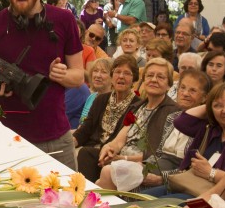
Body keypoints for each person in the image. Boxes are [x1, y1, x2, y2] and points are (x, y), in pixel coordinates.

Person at [0, 0, 84, 169]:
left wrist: (63, 75)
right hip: (9, 137)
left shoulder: (64, 20)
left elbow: (78, 76)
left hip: (57, 138)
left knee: (68, 200)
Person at [144, 82, 225, 199]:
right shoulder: (212, 127)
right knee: (139, 199)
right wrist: (210, 106)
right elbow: (181, 122)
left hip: (212, 196)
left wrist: (210, 172)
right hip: (186, 184)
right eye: (218, 106)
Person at [96, 58, 180, 190]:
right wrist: (109, 148)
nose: (153, 80)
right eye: (150, 75)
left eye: (160, 77)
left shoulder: (172, 112)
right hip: (121, 161)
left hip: (145, 165)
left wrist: (122, 158)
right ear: (144, 80)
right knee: (98, 178)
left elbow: (155, 154)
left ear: (169, 84)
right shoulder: (139, 106)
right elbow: (119, 141)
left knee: (106, 174)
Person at [140, 69, 210, 191]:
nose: (185, 93)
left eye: (192, 90)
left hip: (178, 177)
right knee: (117, 173)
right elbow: (159, 154)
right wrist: (143, 165)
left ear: (204, 98)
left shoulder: (205, 126)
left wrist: (162, 178)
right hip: (157, 166)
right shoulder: (172, 117)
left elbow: (190, 169)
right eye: (182, 88)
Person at [73, 55, 141, 180]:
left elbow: (125, 140)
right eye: (117, 72)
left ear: (134, 79)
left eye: (127, 73)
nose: (121, 76)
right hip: (93, 148)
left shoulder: (138, 105)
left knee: (85, 153)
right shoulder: (101, 99)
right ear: (112, 76)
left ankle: (87, 194)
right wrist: (71, 141)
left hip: (113, 153)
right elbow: (86, 129)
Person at [79, 57, 112, 124]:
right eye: (95, 71)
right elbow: (81, 126)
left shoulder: (113, 101)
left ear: (112, 77)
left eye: (104, 72)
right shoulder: (91, 97)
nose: (98, 75)